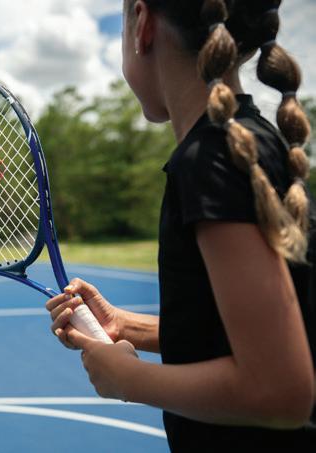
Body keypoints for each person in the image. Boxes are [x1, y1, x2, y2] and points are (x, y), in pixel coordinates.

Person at [46, 0, 315, 450]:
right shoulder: (247, 143)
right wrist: (125, 326)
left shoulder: (212, 162)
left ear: (142, 24)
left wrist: (129, 378)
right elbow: (249, 338)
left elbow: (281, 392)